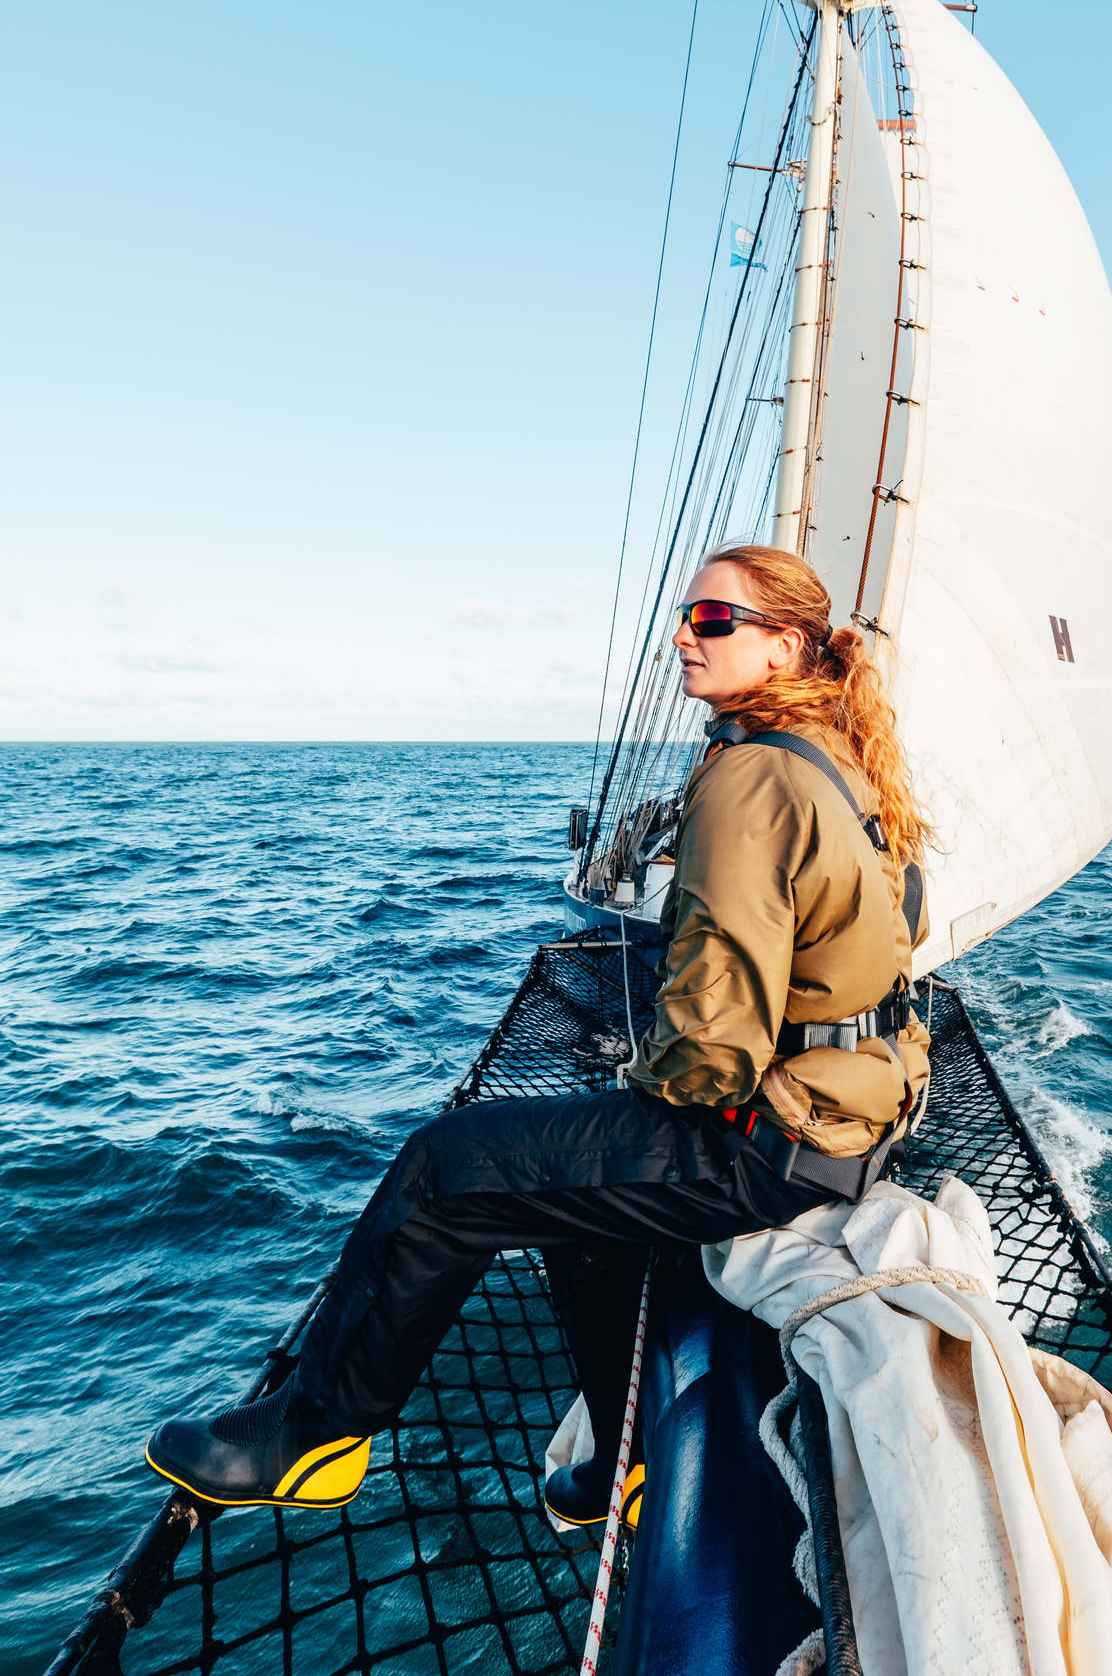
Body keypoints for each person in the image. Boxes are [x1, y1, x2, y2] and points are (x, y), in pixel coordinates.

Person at [145, 544, 932, 1524]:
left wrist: (645, 1076)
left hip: (767, 1144)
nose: (684, 636)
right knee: (567, 1202)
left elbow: (713, 1048)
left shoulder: (747, 776)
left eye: (713, 620)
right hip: (856, 1124)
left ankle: (312, 1438)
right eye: (685, 618)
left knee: (444, 1166)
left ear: (782, 646)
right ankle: (624, 1461)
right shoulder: (842, 762)